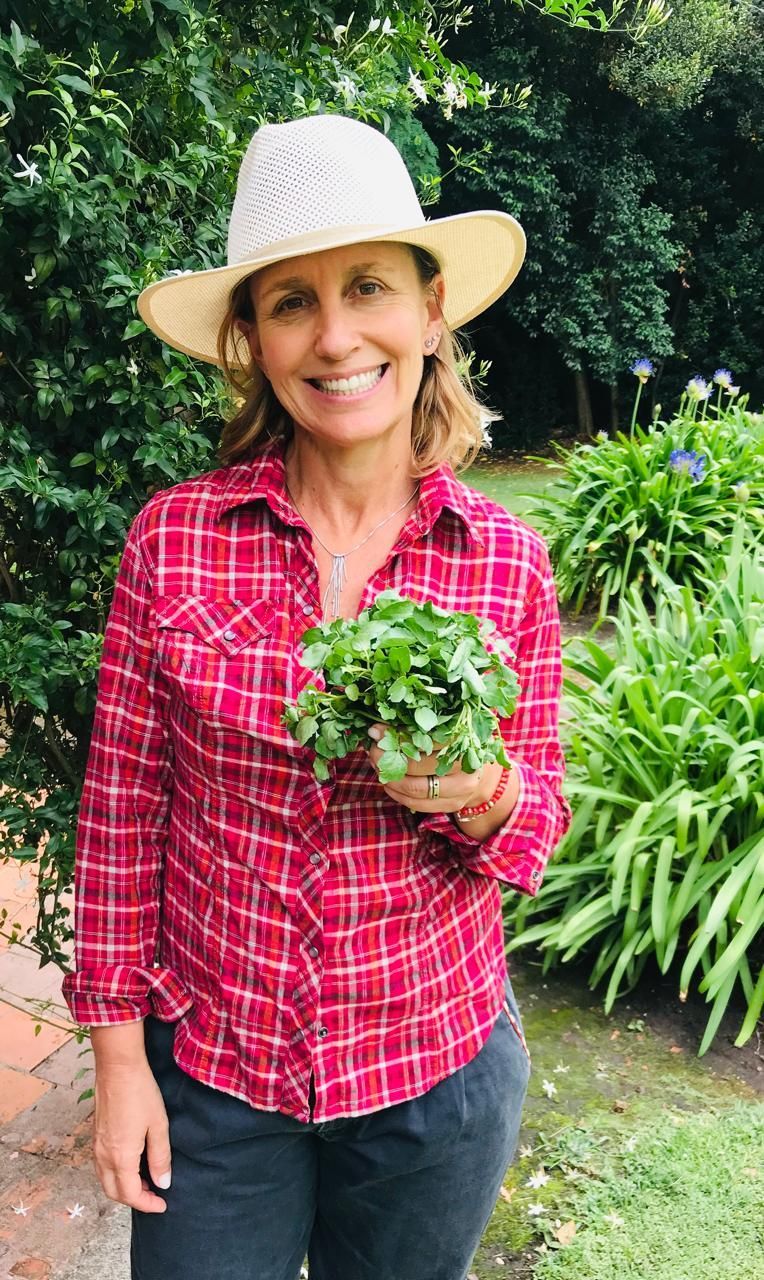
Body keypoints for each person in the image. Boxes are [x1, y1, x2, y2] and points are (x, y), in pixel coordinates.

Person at [62, 113, 572, 1280]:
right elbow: (120, 815)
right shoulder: (177, 538)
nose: (336, 335)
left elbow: (535, 828)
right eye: (290, 301)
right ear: (250, 337)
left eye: (368, 288)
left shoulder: (503, 563)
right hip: (215, 1083)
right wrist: (121, 1061)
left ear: (430, 309)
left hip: (431, 1080)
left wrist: (478, 790)